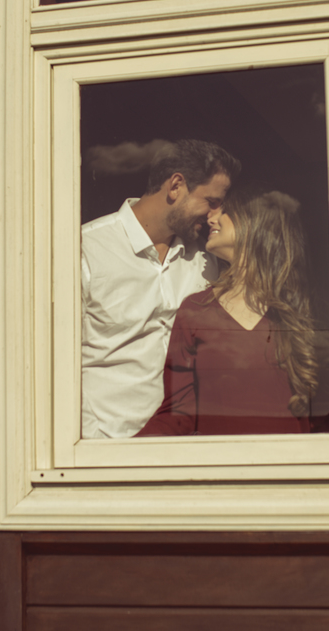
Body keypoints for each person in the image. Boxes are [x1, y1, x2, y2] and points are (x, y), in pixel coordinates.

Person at [81, 139, 241, 438]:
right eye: (212, 201)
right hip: (109, 445)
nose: (213, 215)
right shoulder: (86, 249)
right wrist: (94, 444)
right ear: (176, 186)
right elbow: (53, 366)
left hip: (187, 444)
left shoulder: (207, 260)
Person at [137, 186, 318, 436]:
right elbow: (178, 413)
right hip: (223, 460)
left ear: (254, 222)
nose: (210, 218)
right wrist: (122, 453)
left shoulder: (295, 310)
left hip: (292, 459)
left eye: (225, 211)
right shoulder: (194, 311)